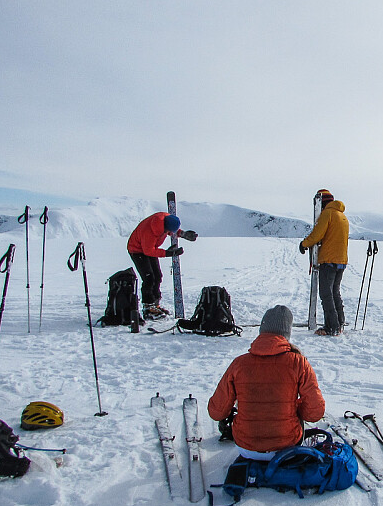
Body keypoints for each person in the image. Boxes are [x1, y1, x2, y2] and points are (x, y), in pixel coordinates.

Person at [207, 305, 325, 460]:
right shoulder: (298, 362)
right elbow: (315, 413)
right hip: (287, 448)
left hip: (245, 446)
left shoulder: (239, 363)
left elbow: (216, 412)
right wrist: (293, 409)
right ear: (286, 334)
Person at [126, 212, 197, 320]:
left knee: (157, 276)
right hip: (137, 250)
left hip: (149, 248)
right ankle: (148, 307)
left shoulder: (164, 222)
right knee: (149, 278)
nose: (170, 233)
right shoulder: (150, 230)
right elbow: (148, 251)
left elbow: (170, 230)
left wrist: (182, 234)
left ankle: (155, 304)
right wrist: (168, 253)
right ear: (165, 229)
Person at [299, 189, 349, 336]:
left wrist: (304, 244)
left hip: (329, 260)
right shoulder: (342, 216)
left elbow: (317, 234)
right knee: (335, 292)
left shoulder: (327, 214)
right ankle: (339, 323)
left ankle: (332, 327)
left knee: (326, 294)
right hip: (341, 261)